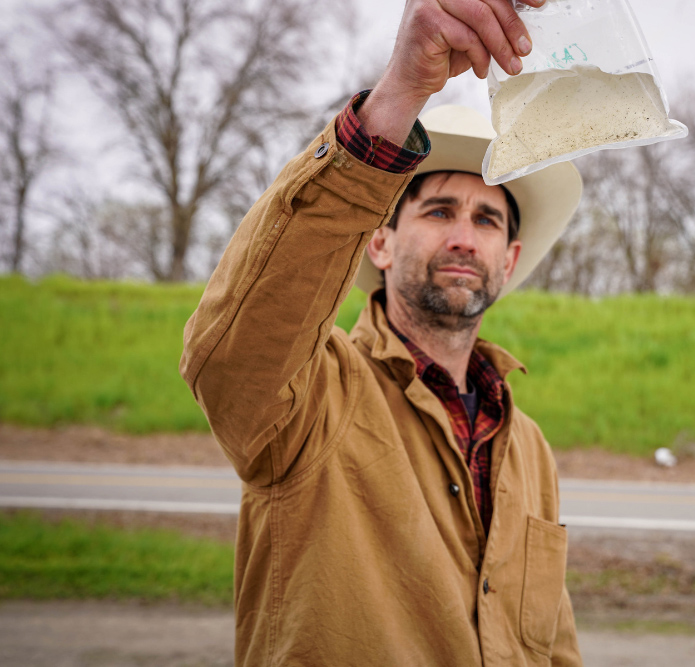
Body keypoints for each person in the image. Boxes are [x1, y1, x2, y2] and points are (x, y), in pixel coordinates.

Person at [179, 0, 583, 664]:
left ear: (508, 260)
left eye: (487, 219)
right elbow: (232, 357)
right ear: (380, 242)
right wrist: (400, 93)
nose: (463, 235)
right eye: (440, 209)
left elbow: (553, 644)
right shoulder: (314, 394)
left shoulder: (527, 446)